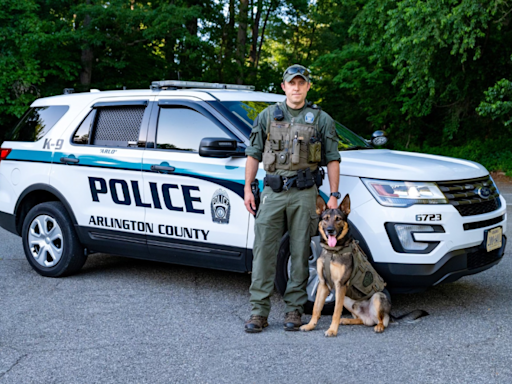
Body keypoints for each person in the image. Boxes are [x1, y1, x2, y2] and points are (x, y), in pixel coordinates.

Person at [243, 64, 341, 332]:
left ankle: (294, 311)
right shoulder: (267, 116)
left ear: (308, 86)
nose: (296, 87)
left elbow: (333, 159)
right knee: (263, 252)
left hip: (304, 194)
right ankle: (258, 313)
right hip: (272, 194)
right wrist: (247, 187)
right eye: (292, 83)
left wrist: (333, 195)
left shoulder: (321, 119)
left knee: (300, 252)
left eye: (301, 83)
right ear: (284, 86)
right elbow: (253, 153)